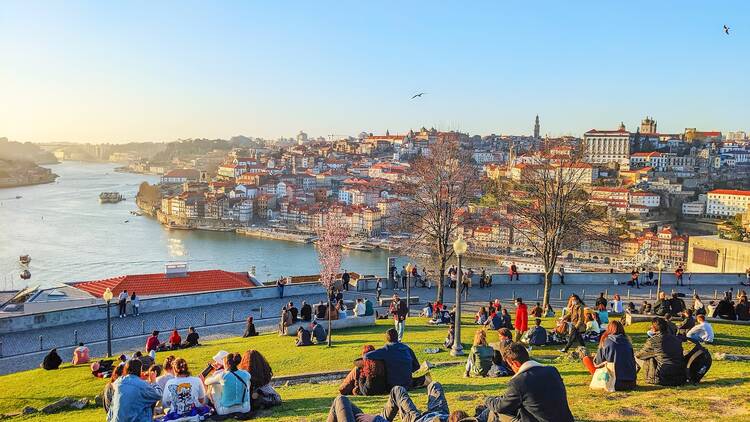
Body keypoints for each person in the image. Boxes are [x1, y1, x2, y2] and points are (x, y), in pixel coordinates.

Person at [477, 343, 574, 422]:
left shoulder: (519, 381)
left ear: (515, 363)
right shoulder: (552, 371)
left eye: (509, 365)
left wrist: (488, 399)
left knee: (494, 412)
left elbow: (501, 407)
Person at [327, 382, 457, 422]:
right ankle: (384, 417)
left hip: (416, 420)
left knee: (341, 399)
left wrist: (375, 419)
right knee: (434, 385)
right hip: (438, 413)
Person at [635, 318, 686, 386]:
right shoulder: (676, 339)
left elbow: (640, 355)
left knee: (637, 357)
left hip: (662, 377)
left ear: (654, 328)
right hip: (680, 376)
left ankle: (628, 379)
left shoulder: (653, 341)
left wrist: (634, 353)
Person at [588, 321, 637, 391]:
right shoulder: (628, 342)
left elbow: (598, 362)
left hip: (613, 382)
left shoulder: (606, 341)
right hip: (631, 382)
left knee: (587, 359)